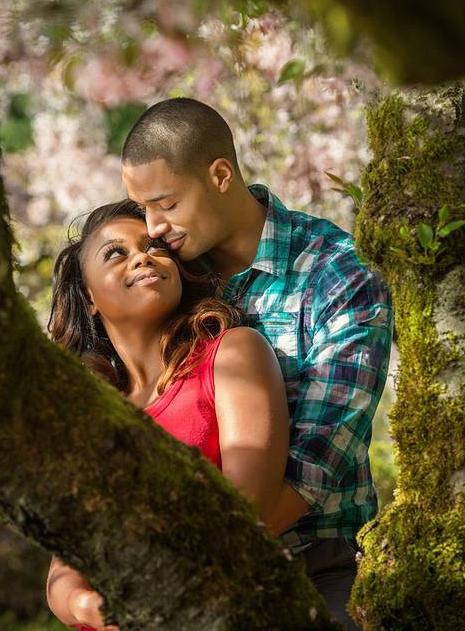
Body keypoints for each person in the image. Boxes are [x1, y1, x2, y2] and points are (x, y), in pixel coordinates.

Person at [120, 97, 394, 629]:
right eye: (143, 209)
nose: (152, 228)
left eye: (166, 204)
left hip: (317, 564)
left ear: (220, 174)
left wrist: (198, 564)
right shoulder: (165, 277)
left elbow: (320, 458)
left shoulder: (337, 273)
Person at [43, 200, 292, 630]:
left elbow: (243, 515)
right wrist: (89, 607)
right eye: (115, 253)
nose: (143, 256)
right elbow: (63, 571)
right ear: (89, 296)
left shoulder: (231, 355)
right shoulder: (89, 415)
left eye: (155, 246)